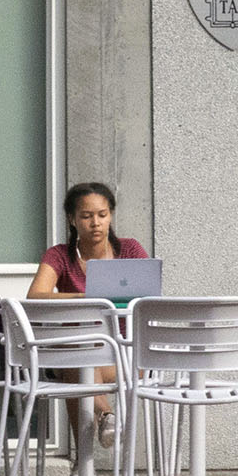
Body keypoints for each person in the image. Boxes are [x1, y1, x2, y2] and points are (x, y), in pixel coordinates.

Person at [27, 182, 148, 445]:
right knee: (78, 359)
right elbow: (35, 296)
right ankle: (107, 414)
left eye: (102, 215)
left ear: (111, 216)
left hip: (124, 356)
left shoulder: (130, 251)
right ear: (72, 219)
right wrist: (85, 297)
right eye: (86, 216)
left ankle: (83, 461)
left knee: (77, 364)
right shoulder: (59, 255)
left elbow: (148, 298)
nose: (96, 223)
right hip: (77, 351)